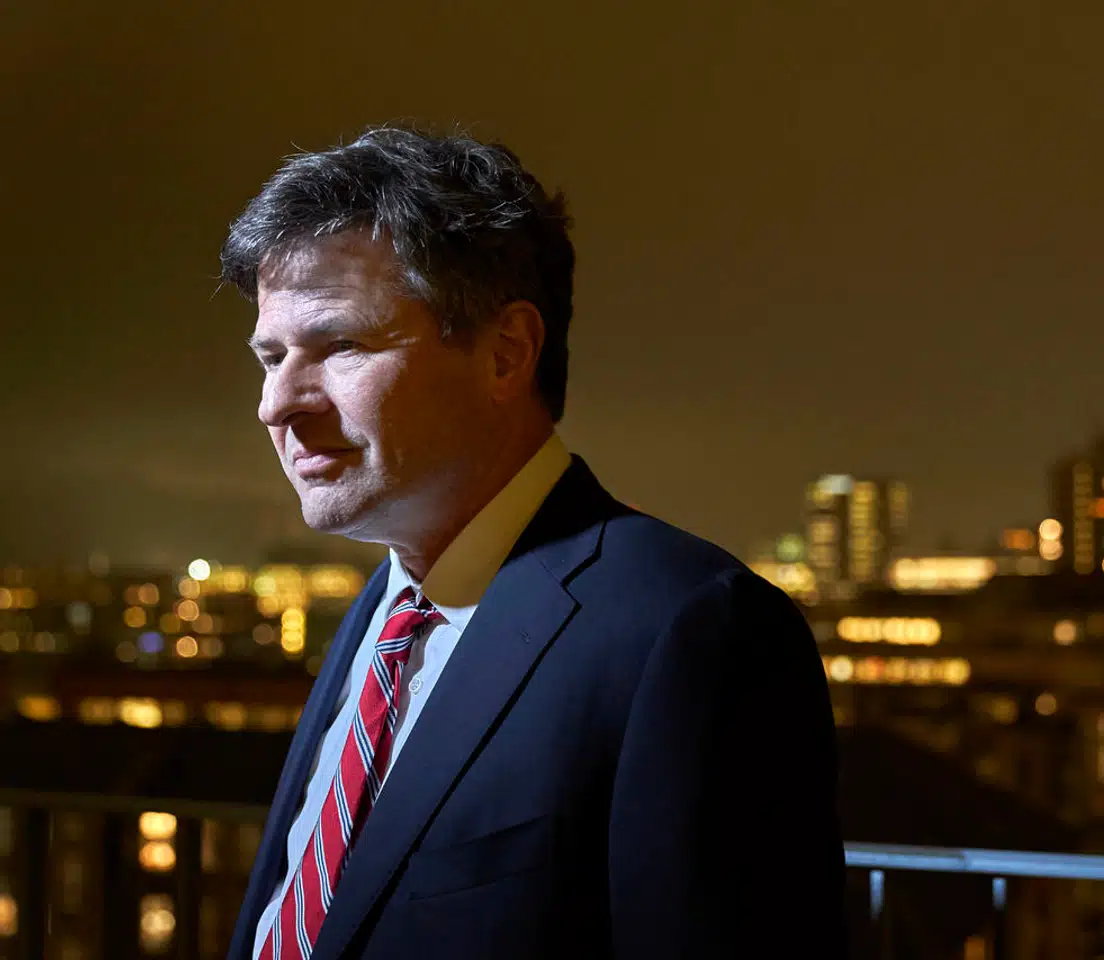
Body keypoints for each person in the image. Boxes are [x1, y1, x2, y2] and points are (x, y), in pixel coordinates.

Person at [218, 126, 847, 960]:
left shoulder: (693, 632)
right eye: (271, 356)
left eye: (340, 346)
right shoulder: (384, 610)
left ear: (506, 353)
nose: (278, 403)